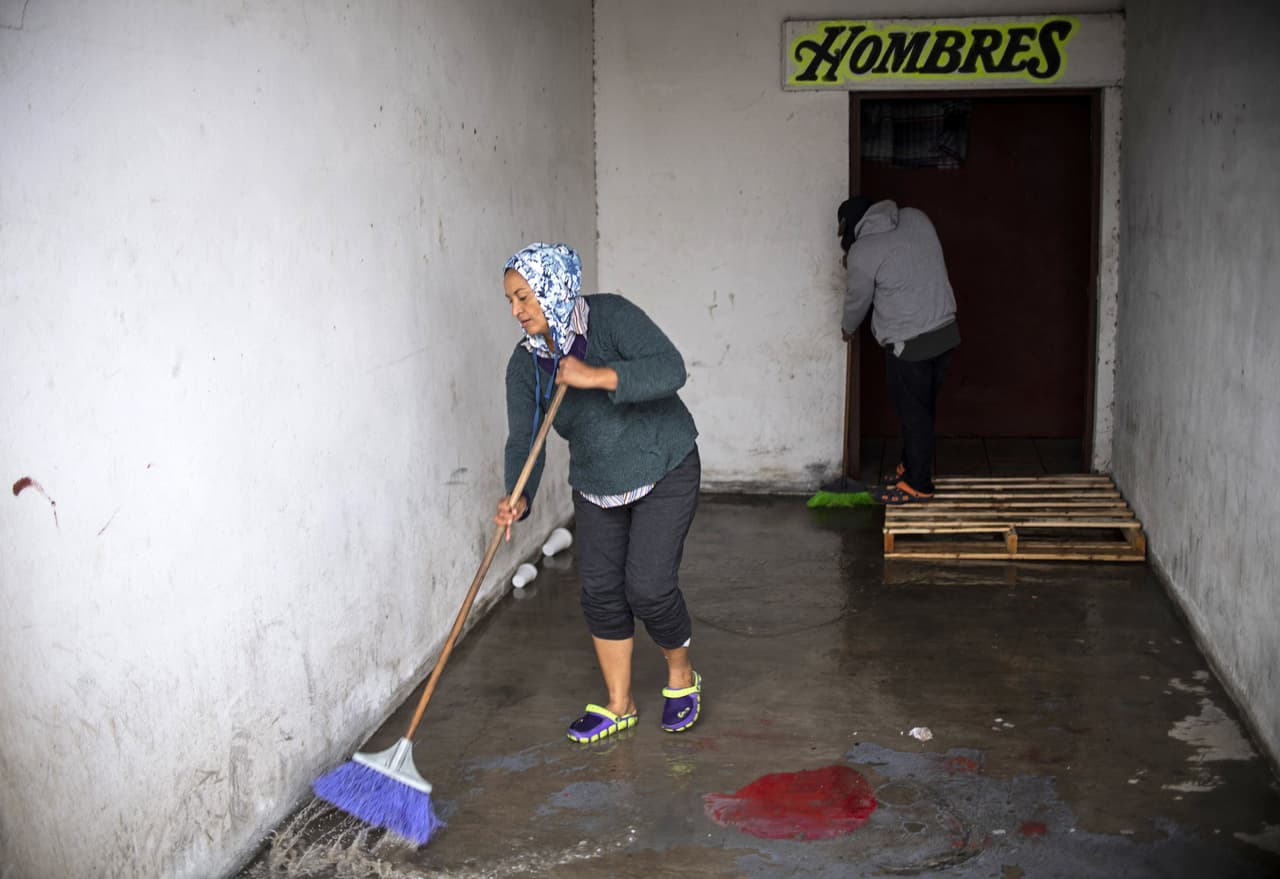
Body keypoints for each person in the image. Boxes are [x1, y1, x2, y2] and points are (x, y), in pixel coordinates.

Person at [493, 242, 703, 743]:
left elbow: (670, 368)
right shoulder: (526, 366)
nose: (518, 311)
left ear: (552, 288)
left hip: (663, 463)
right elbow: (526, 439)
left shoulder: (608, 317)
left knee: (649, 587)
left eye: (525, 297)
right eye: (511, 302)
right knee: (602, 593)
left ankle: (681, 675)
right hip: (596, 482)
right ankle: (619, 703)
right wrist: (516, 495)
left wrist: (594, 376)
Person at [839, 196, 960, 503]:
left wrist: (847, 328)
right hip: (946, 332)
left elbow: (858, 300)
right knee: (923, 408)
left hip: (910, 344)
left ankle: (918, 484)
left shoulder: (862, 251)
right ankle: (910, 466)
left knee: (913, 415)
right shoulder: (916, 217)